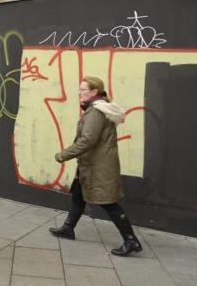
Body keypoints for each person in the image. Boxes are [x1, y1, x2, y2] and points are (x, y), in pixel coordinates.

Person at [49, 76, 142, 256]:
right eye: (80, 89)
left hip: (98, 166)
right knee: (78, 195)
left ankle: (131, 240)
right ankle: (68, 228)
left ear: (94, 92)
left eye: (83, 90)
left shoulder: (96, 111)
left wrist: (63, 155)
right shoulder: (97, 108)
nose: (80, 93)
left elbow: (87, 140)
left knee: (108, 203)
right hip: (90, 164)